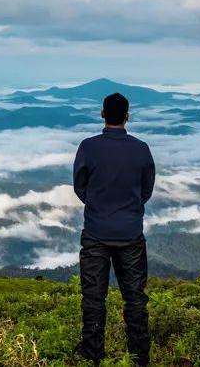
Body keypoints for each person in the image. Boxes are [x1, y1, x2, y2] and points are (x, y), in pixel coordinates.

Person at [72, 92, 156, 366]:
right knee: (135, 299)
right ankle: (139, 356)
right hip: (130, 234)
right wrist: (129, 209)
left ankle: (93, 355)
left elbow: (80, 187)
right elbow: (146, 189)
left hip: (96, 232)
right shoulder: (141, 149)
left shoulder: (88, 147)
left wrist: (98, 205)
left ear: (102, 115)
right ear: (127, 116)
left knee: (94, 298)